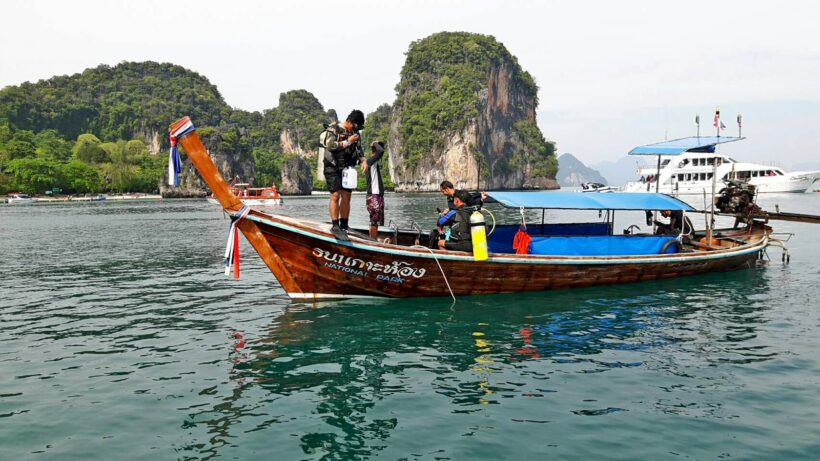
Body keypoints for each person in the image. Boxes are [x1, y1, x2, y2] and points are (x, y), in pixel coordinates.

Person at [321, 110, 365, 237]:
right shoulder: (333, 129)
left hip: (347, 168)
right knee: (335, 195)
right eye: (355, 126)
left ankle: (344, 225)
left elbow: (359, 149)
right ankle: (335, 226)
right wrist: (348, 141)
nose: (356, 129)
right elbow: (330, 146)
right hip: (332, 166)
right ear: (350, 121)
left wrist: (363, 160)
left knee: (346, 196)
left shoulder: (355, 133)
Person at [362, 140, 385, 239]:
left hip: (373, 196)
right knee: (374, 222)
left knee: (373, 221)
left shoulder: (371, 162)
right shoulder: (371, 161)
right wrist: (375, 143)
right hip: (374, 195)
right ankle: (373, 241)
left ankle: (372, 239)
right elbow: (380, 151)